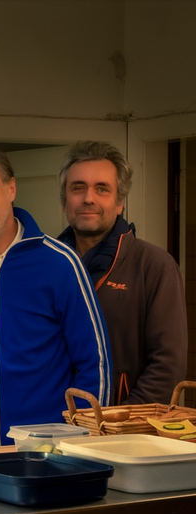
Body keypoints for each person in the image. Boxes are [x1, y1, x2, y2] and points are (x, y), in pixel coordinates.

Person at [0, 144, 111, 447]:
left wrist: (82, 444)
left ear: (11, 188)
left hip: (45, 452)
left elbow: (95, 363)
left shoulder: (60, 262)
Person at [57, 141, 187, 405]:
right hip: (55, 425)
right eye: (77, 188)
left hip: (122, 433)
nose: (88, 198)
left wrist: (119, 426)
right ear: (64, 201)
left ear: (119, 203)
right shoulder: (48, 264)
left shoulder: (155, 266)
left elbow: (167, 365)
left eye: (102, 188)